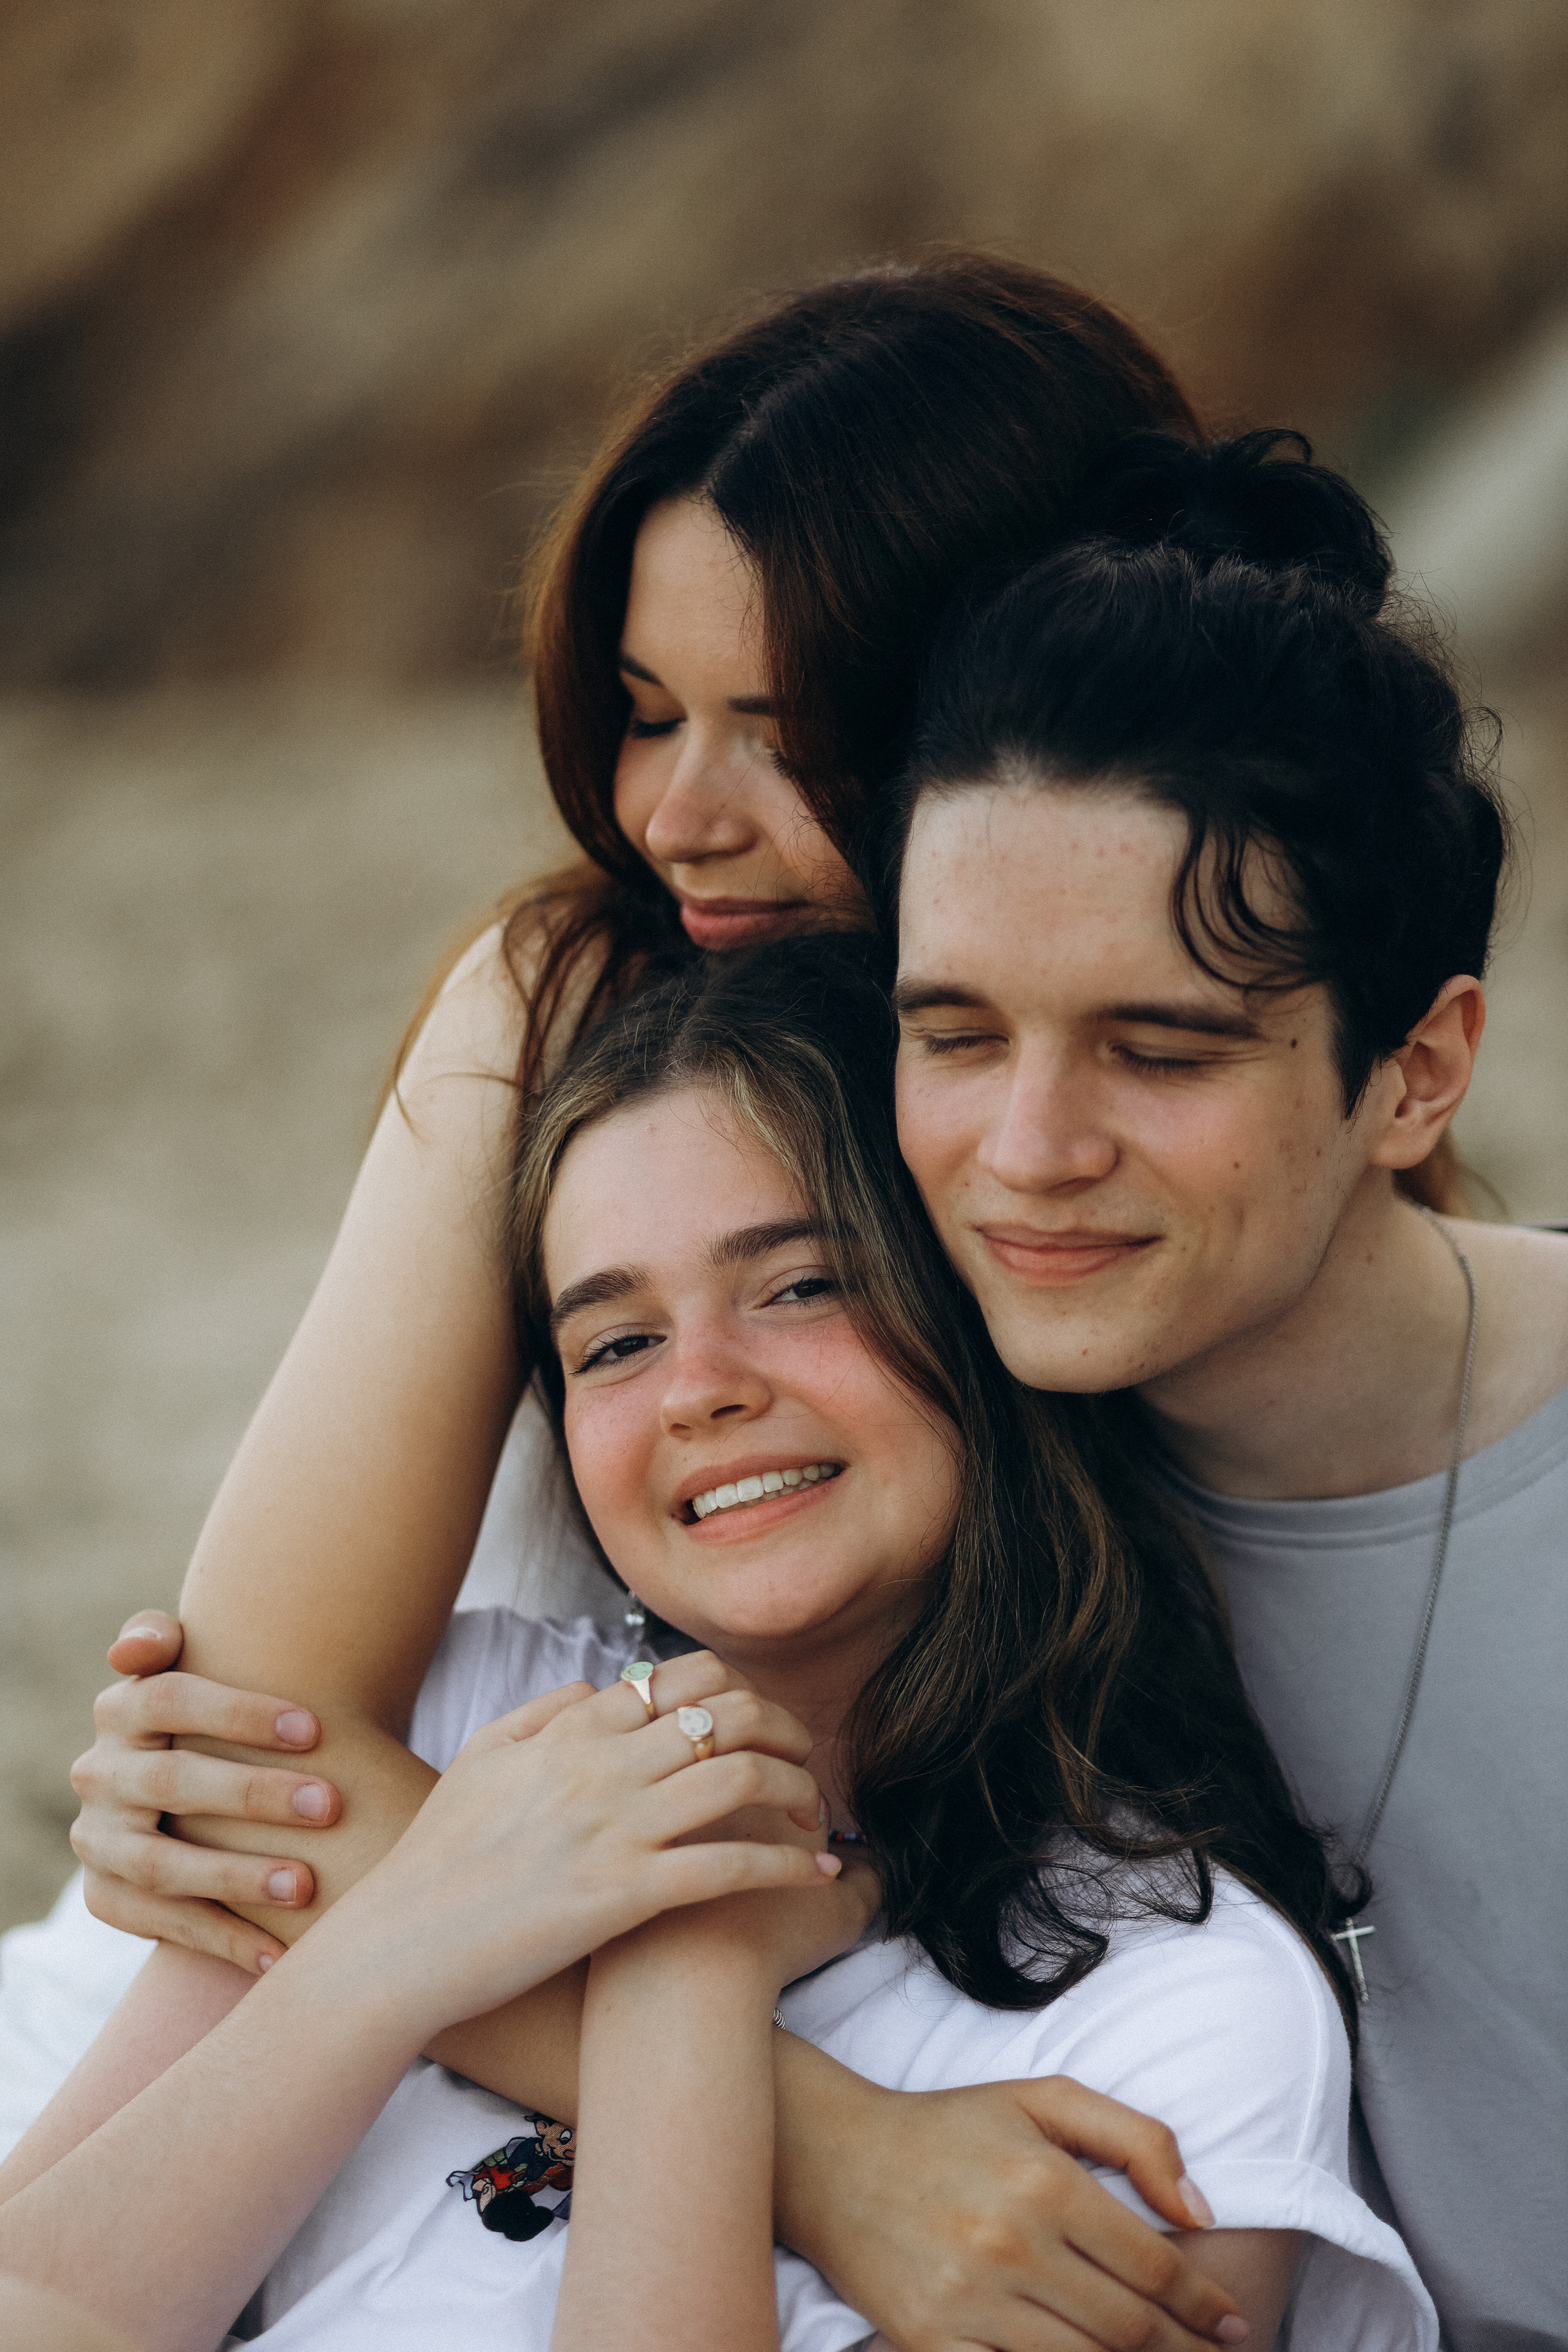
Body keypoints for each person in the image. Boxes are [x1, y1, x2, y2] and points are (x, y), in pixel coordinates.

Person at [8, 256, 1280, 2351]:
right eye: (647, 706)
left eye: (787, 735)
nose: (676, 813)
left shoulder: (1189, 1117)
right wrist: (834, 2145)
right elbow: (264, 1769)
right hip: (335, 1978)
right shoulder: (586, 1003)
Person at [0, 942, 1436, 2351]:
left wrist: (681, 1970)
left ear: (976, 1299)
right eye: (612, 1344)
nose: (697, 1390)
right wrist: (402, 1935)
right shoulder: (445, 1725)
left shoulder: (1182, 2018)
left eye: (800, 1285)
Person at [884, 430, 1566, 2352]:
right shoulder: (897, 1468)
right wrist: (828, 2145)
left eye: (1158, 1050)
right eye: (954, 1034)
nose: (1027, 1149)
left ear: (1418, 1074)